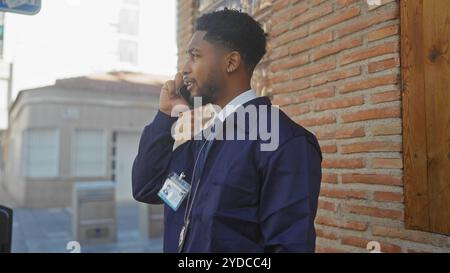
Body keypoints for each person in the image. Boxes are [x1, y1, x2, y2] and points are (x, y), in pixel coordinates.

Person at [132, 8, 322, 253]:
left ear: (231, 62)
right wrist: (165, 116)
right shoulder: (204, 140)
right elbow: (146, 187)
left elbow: (289, 247)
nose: (184, 70)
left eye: (195, 56)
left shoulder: (284, 142)